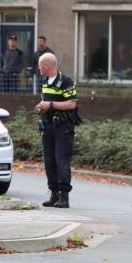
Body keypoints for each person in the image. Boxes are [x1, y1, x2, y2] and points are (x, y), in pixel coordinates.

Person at [36, 52, 79, 209]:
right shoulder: (45, 81)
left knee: (62, 161)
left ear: (46, 66)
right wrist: (41, 105)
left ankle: (64, 196)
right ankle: (53, 193)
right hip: (48, 126)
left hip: (63, 127)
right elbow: (45, 100)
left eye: (40, 65)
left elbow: (72, 103)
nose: (38, 68)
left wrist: (51, 105)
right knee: (49, 161)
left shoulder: (66, 81)